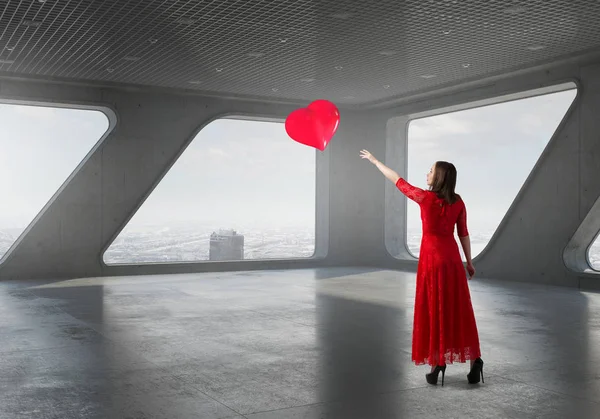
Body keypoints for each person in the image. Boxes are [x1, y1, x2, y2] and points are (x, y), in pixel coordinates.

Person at [360, 149, 484, 386]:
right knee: (459, 310)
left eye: (430, 171)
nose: (427, 174)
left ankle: (437, 363)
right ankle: (475, 360)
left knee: (434, 309)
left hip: (432, 263)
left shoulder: (425, 198)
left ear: (438, 177)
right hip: (452, 261)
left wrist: (375, 161)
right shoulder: (458, 202)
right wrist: (468, 262)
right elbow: (464, 234)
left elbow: (397, 180)